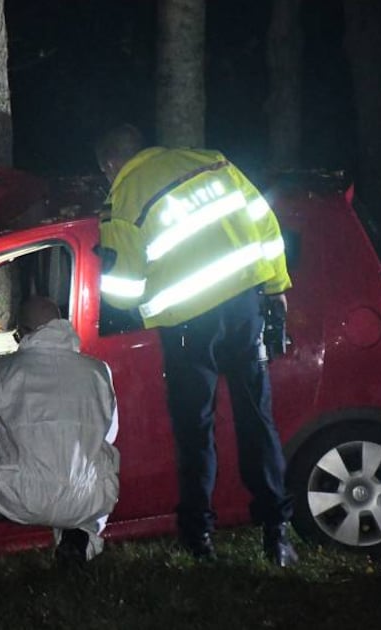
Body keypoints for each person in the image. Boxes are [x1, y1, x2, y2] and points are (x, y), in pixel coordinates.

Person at [93, 123, 299, 567]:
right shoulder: (212, 160)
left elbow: (123, 292)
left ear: (112, 165)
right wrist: (275, 284)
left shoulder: (123, 198)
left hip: (189, 326)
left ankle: (199, 536)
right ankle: (277, 534)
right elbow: (265, 223)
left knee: (195, 430)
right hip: (243, 309)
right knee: (256, 418)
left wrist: (104, 264)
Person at [0, 296, 120, 569]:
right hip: (86, 499)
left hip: (22, 496)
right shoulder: (99, 371)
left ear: (24, 332)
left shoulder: (3, 370)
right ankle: (80, 538)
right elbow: (107, 436)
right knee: (99, 460)